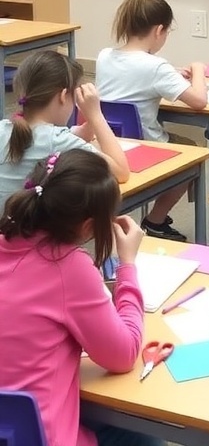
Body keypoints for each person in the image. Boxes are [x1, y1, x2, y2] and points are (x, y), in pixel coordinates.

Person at [0, 149, 163, 446]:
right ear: (88, 226)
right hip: (41, 437)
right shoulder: (68, 266)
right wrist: (127, 266)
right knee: (145, 436)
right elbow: (124, 354)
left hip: (10, 429)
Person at [96, 0, 207, 241]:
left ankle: (155, 218)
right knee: (194, 152)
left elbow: (135, 76)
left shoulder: (104, 56)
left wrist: (171, 75)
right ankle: (156, 220)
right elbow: (199, 101)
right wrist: (198, 70)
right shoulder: (156, 67)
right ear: (159, 30)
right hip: (146, 146)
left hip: (110, 144)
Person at [0, 50, 129, 212]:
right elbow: (121, 172)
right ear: (63, 96)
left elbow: (37, 139)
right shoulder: (57, 141)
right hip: (28, 226)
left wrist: (81, 131)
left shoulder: (4, 127)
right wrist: (95, 115)